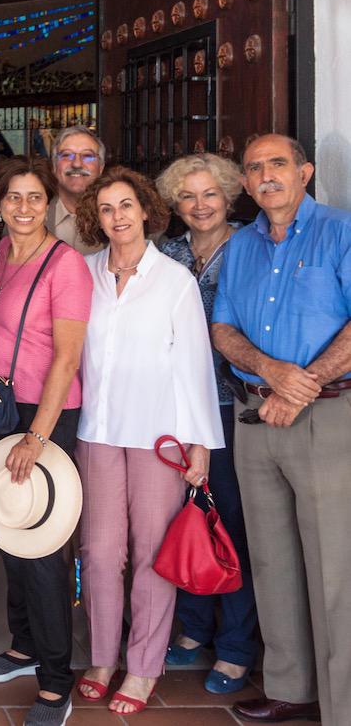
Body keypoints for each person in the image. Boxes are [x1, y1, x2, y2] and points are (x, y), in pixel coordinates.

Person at [72, 166, 223, 715]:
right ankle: (103, 657)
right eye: (107, 208)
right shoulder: (82, 272)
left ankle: (143, 667)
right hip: (98, 432)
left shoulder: (174, 280)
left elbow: (194, 367)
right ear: (96, 217)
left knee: (153, 555)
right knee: (100, 550)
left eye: (126, 206)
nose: (117, 217)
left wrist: (201, 443)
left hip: (159, 435)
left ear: (145, 211)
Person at [211, 134, 351, 724]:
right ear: (243, 183)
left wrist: (306, 384)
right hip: (255, 416)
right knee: (271, 558)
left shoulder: (339, 231)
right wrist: (271, 373)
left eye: (278, 164)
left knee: (334, 564)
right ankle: (291, 687)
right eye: (254, 168)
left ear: (305, 172)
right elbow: (222, 329)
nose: (266, 176)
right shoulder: (240, 246)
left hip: (326, 417)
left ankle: (342, 704)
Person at [0, 157, 92, 726]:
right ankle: (23, 646)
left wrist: (37, 436)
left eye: (34, 198)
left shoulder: (64, 265)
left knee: (43, 549)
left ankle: (56, 682)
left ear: (50, 203)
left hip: (44, 415)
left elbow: (67, 358)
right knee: (7, 529)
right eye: (13, 198)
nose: (23, 208)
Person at [156, 154, 258, 695]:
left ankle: (238, 647)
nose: (199, 206)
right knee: (186, 516)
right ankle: (195, 629)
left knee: (227, 523)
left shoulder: (250, 246)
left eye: (210, 194)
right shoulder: (166, 252)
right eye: (188, 197)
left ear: (228, 196)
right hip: (173, 407)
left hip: (227, 407)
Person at [47, 125, 105, 255]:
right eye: (67, 155)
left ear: (101, 167)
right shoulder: (32, 218)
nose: (77, 164)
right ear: (54, 167)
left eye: (87, 156)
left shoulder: (118, 218)